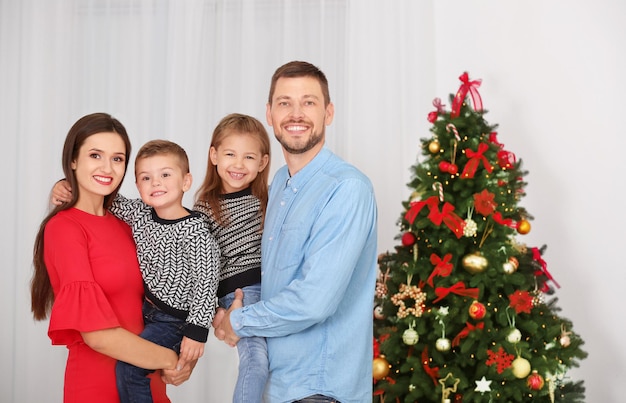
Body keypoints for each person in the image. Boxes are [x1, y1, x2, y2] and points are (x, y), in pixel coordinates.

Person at [214, 61, 378, 403]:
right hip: (277, 387)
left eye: (309, 102)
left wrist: (239, 321)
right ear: (270, 114)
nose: (296, 113)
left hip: (320, 390)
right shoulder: (278, 185)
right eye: (285, 102)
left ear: (328, 112)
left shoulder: (346, 188)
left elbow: (314, 301)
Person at [31, 113, 190, 403]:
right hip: (98, 388)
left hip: (148, 384)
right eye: (95, 155)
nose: (107, 167)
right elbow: (98, 335)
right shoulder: (64, 228)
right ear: (73, 160)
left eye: (117, 159)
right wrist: (171, 358)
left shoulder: (128, 225)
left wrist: (183, 354)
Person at [51, 139, 220, 403]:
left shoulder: (194, 230)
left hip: (171, 320)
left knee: (130, 371)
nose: (156, 183)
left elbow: (206, 283)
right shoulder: (139, 216)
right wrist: (66, 184)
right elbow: (105, 194)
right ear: (137, 185)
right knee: (130, 372)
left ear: (186, 182)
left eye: (165, 175)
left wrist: (196, 332)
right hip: (129, 344)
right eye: (145, 178)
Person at [193, 113, 271, 403]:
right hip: (241, 292)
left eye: (249, 157)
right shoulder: (204, 209)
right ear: (214, 155)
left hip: (274, 290)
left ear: (262, 162)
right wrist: (217, 313)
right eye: (230, 154)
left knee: (277, 363)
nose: (238, 165)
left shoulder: (269, 200)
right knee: (256, 360)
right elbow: (197, 267)